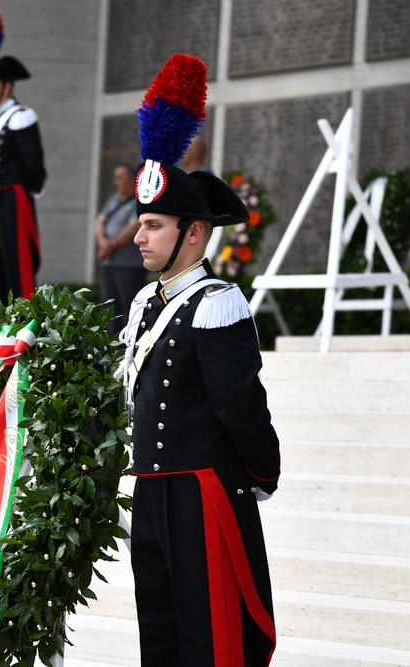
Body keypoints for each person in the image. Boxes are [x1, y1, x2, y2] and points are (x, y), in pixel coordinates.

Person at [119, 54, 280, 666]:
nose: (139, 236)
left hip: (203, 490)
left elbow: (241, 403)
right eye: (140, 223)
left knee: (212, 642)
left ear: (192, 233)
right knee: (159, 638)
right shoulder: (143, 303)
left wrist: (260, 476)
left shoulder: (216, 303)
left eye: (154, 225)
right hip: (152, 494)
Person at [0, 10, 46, 315]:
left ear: (7, 86)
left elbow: (34, 166)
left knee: (17, 267)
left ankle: (21, 328)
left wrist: (25, 191)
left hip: (13, 198)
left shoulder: (22, 116)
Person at [95, 162, 146, 336]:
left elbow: (133, 227)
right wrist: (103, 242)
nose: (115, 182)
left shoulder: (139, 201)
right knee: (109, 308)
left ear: (131, 180)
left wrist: (112, 245)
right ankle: (110, 345)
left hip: (129, 266)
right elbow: (100, 221)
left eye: (119, 178)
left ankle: (127, 347)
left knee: (128, 308)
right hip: (110, 263)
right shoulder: (113, 199)